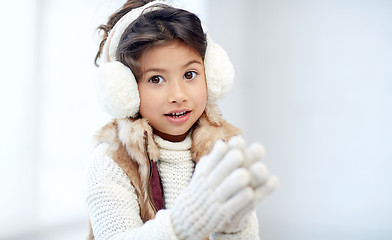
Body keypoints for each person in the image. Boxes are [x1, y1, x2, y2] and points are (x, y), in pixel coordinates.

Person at [85, 0, 278, 239]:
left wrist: (234, 228)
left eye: (189, 74)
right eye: (156, 79)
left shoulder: (221, 151)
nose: (178, 95)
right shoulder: (111, 159)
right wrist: (184, 223)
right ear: (125, 91)